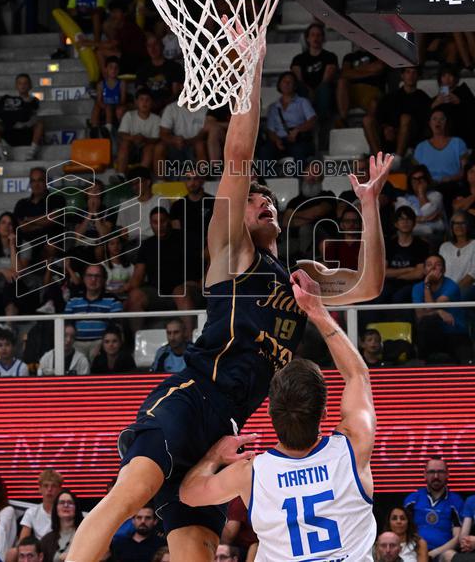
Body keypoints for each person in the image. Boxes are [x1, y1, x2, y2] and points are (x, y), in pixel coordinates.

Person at [67, 54, 387, 561]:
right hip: (192, 399)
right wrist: (253, 65)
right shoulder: (234, 254)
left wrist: (369, 207)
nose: (265, 202)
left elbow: (369, 286)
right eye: (255, 200)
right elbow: (238, 151)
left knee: (197, 547)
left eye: (269, 200)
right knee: (126, 500)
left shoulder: (301, 280)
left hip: (226, 428)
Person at [180, 265, 378, 560]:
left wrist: (214, 456)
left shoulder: (250, 473)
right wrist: (316, 310)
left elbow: (189, 494)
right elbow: (357, 376)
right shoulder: (353, 447)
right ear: (324, 413)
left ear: (270, 413)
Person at [404, 456, 464, 559]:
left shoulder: (456, 501)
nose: (436, 476)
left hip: (442, 554)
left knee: (451, 555)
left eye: (440, 472)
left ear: (447, 474)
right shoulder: (412, 499)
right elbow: (402, 530)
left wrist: (433, 553)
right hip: (414, 552)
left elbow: (457, 538)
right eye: (431, 472)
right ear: (425, 475)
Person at [368, 66, 431, 158]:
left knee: (405, 118)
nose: (411, 76)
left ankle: (398, 159)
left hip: (410, 136)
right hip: (389, 135)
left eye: (414, 72)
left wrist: (397, 131)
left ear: (418, 76)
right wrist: (386, 128)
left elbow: (422, 124)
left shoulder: (423, 98)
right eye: (408, 72)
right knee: (367, 120)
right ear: (402, 75)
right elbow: (380, 116)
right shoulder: (391, 97)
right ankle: (378, 158)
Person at [258, 71, 317, 168]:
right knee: (265, 152)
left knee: (299, 153)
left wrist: (298, 130)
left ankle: (298, 181)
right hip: (280, 141)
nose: (287, 84)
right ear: (279, 85)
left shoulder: (302, 102)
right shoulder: (273, 107)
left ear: (295, 86)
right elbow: (270, 130)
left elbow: (312, 120)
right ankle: (268, 181)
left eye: (290, 82)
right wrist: (276, 140)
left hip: (299, 140)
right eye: (284, 81)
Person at [413, 110, 468, 203]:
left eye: (441, 119)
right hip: (428, 186)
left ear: (446, 123)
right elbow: (415, 173)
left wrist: (450, 178)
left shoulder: (458, 143)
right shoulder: (421, 147)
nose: (438, 122)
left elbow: (465, 170)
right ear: (430, 123)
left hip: (451, 185)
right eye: (434, 119)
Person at [0, 73, 43, 161]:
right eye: (20, 83)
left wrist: (23, 124)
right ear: (16, 85)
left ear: (30, 85)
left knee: (39, 124)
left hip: (26, 132)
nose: (23, 86)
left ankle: (32, 152)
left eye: (25, 83)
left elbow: (35, 117)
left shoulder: (34, 100)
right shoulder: (7, 100)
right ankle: (0, 154)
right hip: (10, 131)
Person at [64, 263, 122, 346]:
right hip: (76, 344)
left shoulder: (113, 300)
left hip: (101, 345)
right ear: (83, 278)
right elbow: (67, 325)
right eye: (89, 276)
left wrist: (102, 346)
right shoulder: (73, 300)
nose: (93, 279)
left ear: (104, 279)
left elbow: (115, 328)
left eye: (97, 276)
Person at [438, 211, 475, 302]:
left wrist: (451, 292)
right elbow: (440, 271)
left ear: (468, 226)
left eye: (462, 223)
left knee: (461, 297)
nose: (458, 226)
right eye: (455, 223)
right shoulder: (444, 247)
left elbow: (473, 275)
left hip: (472, 288)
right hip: (447, 290)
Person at [115, 88, 162, 175]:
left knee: (150, 147)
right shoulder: (129, 115)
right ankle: (120, 175)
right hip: (131, 150)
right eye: (141, 99)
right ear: (136, 102)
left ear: (152, 103)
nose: (144, 103)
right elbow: (122, 134)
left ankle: (141, 175)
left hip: (146, 151)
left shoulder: (156, 119)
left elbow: (156, 139)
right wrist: (133, 138)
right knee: (124, 143)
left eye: (147, 100)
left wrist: (144, 139)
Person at [395, 165, 445, 242]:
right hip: (411, 236)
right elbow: (403, 220)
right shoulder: (402, 200)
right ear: (410, 182)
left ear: (427, 180)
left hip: (433, 237)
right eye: (414, 179)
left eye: (421, 178)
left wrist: (421, 194)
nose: (418, 182)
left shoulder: (436, 196)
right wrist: (426, 218)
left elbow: (428, 212)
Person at [17, 469, 64, 544]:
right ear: (40, 489)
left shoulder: (65, 511)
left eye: (54, 486)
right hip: (38, 551)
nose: (49, 489)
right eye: (46, 486)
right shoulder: (31, 512)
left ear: (60, 490)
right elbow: (23, 541)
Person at [40, 489, 83, 562]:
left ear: (76, 508)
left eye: (70, 503)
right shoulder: (46, 540)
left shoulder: (85, 535)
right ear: (56, 509)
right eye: (62, 502)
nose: (66, 505)